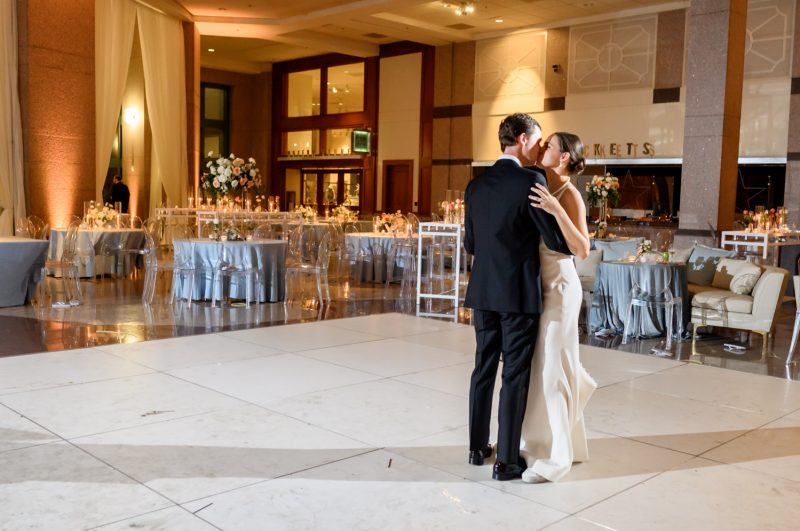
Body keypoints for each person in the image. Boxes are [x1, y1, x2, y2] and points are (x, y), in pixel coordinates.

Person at [464, 114, 571, 481]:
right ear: (522, 140)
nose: (540, 149)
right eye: (538, 142)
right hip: (517, 294)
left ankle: (477, 448)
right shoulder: (531, 180)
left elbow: (471, 244)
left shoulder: (475, 186)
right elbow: (556, 241)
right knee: (514, 375)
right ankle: (506, 460)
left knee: (482, 369)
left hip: (482, 291)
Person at [521, 132, 598, 483]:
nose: (541, 149)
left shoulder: (570, 195)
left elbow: (582, 249)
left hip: (562, 289)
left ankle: (557, 459)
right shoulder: (540, 185)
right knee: (545, 369)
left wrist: (556, 211)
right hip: (539, 287)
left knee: (554, 370)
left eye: (548, 145)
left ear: (564, 157)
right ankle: (546, 443)